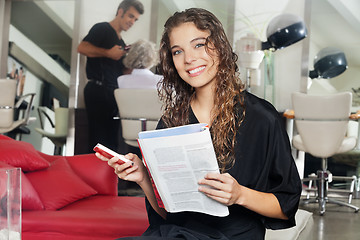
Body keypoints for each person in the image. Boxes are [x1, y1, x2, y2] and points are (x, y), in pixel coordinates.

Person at [96, 8, 302, 240]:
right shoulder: (172, 120)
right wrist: (143, 177)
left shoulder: (262, 118)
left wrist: (239, 195)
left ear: (220, 46)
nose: (189, 59)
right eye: (177, 51)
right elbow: (167, 214)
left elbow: (286, 207)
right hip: (176, 234)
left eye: (199, 45)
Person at [78, 0, 144, 153]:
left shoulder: (121, 41)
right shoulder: (103, 28)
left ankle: (107, 176)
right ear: (120, 12)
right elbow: (82, 47)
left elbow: (119, 71)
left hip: (112, 93)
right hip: (98, 90)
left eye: (135, 19)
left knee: (111, 143)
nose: (132, 22)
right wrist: (108, 53)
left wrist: (133, 63)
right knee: (99, 140)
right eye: (130, 16)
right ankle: (94, 175)